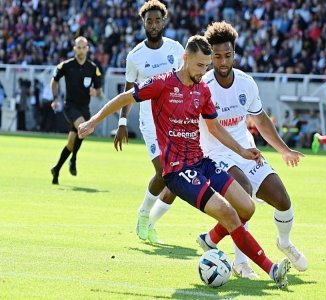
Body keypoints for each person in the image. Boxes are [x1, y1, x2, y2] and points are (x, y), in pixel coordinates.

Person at [78, 35, 291, 289]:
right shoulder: (162, 84)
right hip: (178, 171)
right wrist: (93, 121)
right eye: (200, 65)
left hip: (201, 161)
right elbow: (124, 98)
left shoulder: (202, 90)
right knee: (229, 213)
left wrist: (243, 151)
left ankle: (210, 240)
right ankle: (271, 269)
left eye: (207, 66)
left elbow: (215, 128)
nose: (204, 71)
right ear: (186, 58)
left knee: (247, 207)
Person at [195, 21, 307, 278]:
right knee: (242, 191)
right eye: (217, 56)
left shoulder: (246, 83)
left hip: (246, 151)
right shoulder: (204, 86)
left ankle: (284, 243)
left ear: (235, 53)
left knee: (282, 199)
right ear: (210, 56)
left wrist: (284, 150)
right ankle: (240, 262)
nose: (223, 62)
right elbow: (212, 129)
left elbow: (260, 119)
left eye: (228, 55)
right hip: (216, 154)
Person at [113, 0, 184, 243]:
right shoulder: (135, 56)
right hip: (151, 123)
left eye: (157, 20)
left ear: (164, 21)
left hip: (176, 122)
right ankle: (144, 215)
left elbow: (187, 81)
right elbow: (128, 91)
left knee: (177, 178)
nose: (153, 25)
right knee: (163, 172)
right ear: (143, 22)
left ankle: (149, 221)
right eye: (149, 20)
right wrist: (123, 122)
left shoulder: (176, 50)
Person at [50, 36, 102, 184]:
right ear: (74, 49)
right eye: (78, 47)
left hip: (84, 108)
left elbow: (99, 90)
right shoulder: (66, 65)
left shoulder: (93, 68)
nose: (80, 50)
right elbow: (54, 81)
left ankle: (56, 169)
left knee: (71, 143)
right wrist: (55, 98)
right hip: (70, 106)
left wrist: (96, 92)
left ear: (87, 49)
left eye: (83, 47)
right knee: (83, 127)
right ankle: (73, 159)